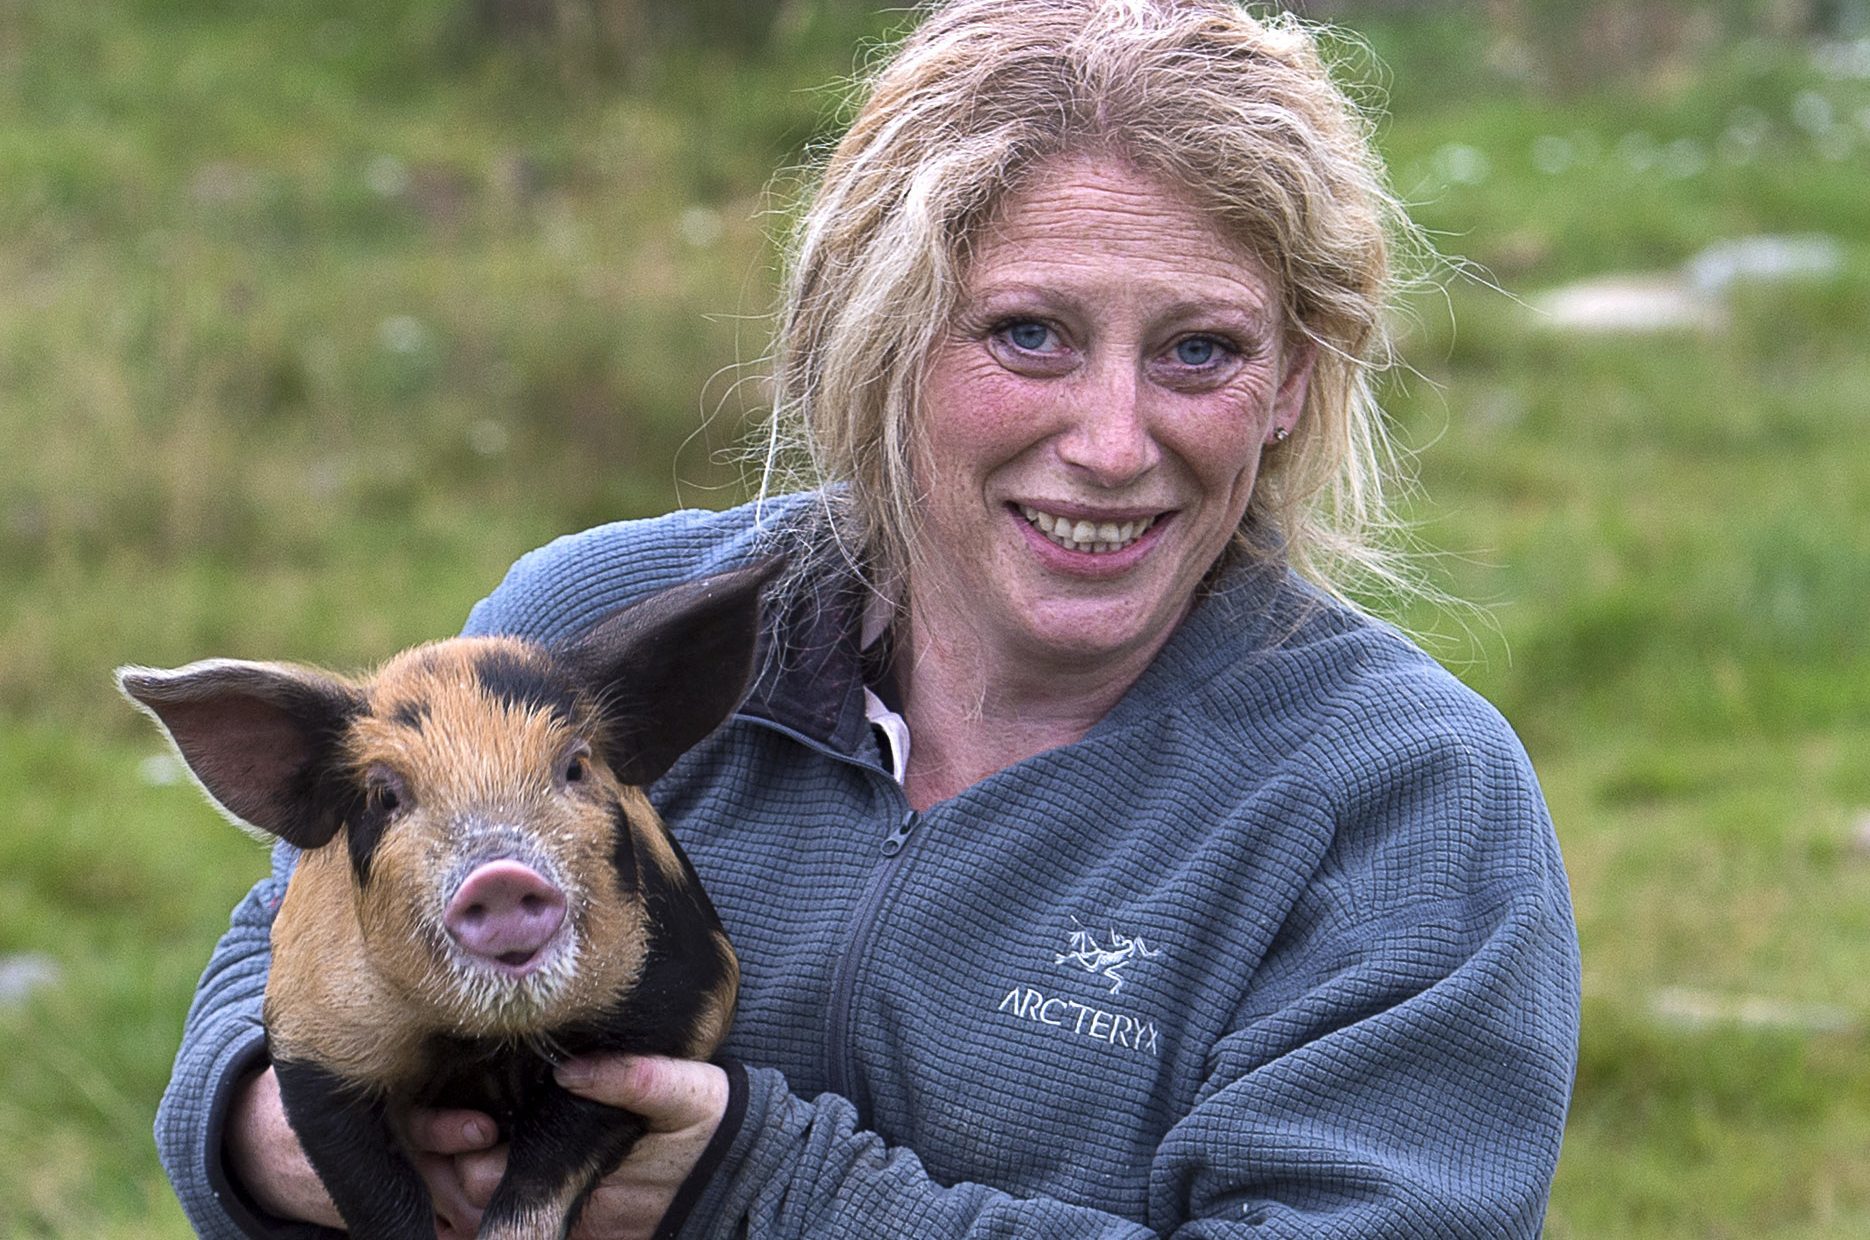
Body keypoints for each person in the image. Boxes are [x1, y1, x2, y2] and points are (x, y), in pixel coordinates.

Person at [156, 1, 1581, 1236]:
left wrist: (759, 1194)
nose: (1110, 439)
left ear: (1290, 385)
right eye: (1028, 335)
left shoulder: (1395, 801)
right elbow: (293, 941)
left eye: (1199, 350)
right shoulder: (593, 639)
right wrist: (258, 1129)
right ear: (879, 337)